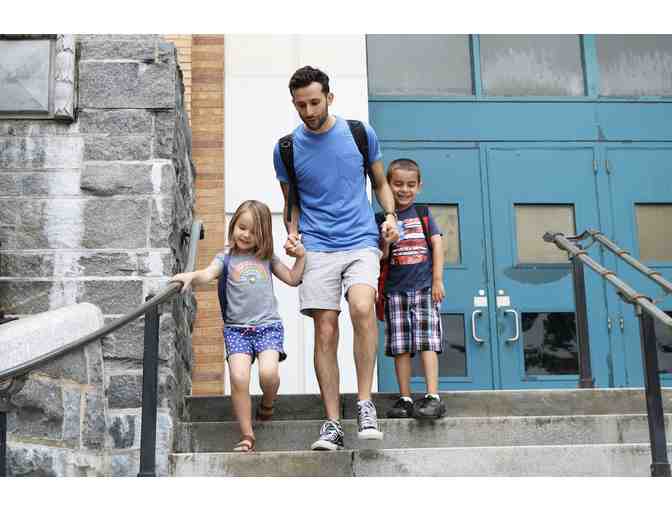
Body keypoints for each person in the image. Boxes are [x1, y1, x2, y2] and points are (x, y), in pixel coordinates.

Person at [273, 65, 399, 451]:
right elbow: (291, 206)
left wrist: (390, 216)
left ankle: (364, 404)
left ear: (329, 97)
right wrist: (292, 235)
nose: (309, 111)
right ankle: (332, 423)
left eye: (315, 102)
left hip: (360, 240)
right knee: (325, 329)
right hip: (317, 246)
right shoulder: (286, 149)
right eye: (301, 105)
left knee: (362, 307)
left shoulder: (359, 134)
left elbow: (380, 183)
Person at [172, 200, 305, 453]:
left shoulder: (267, 258)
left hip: (267, 327)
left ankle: (268, 403)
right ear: (233, 226)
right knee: (239, 377)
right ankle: (247, 434)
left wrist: (301, 257)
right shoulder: (225, 258)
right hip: (237, 330)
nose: (245, 235)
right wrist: (191, 276)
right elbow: (207, 274)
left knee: (268, 374)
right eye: (242, 227)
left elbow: (292, 278)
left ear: (263, 235)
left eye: (253, 231)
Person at [379, 158, 446, 420]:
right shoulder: (383, 218)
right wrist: (386, 241)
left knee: (428, 342)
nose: (404, 190)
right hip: (395, 292)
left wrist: (437, 279)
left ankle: (432, 396)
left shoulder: (423, 213)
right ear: (388, 186)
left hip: (425, 288)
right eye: (398, 184)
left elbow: (437, 245)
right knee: (401, 346)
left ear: (419, 186)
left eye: (410, 185)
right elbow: (382, 257)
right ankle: (405, 398)